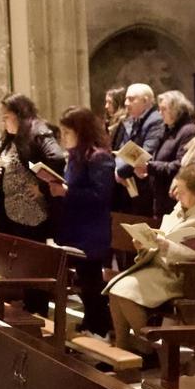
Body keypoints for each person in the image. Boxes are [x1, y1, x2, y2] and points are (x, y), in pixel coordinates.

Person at [107, 163, 195, 350]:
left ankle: (153, 350)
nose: (176, 195)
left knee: (125, 292)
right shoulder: (181, 208)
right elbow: (163, 238)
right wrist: (145, 245)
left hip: (188, 276)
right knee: (116, 290)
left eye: (182, 191)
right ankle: (123, 349)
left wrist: (164, 245)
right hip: (163, 270)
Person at [52, 107, 115, 337]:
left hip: (92, 229)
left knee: (91, 281)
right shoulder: (75, 157)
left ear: (82, 131)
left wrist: (66, 192)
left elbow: (101, 196)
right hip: (75, 228)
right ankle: (91, 321)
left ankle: (100, 328)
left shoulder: (99, 157)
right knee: (83, 281)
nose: (63, 137)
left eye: (67, 132)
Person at [0, 94, 66, 245]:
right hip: (9, 211)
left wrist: (42, 187)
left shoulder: (37, 130)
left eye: (6, 117)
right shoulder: (11, 136)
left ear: (18, 114)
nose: (3, 121)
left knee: (31, 262)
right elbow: (6, 164)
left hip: (31, 213)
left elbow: (57, 158)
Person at [112, 82, 164, 211]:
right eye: (126, 99)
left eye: (131, 99)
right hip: (129, 181)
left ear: (145, 101)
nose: (126, 103)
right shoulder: (137, 119)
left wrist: (119, 172)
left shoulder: (155, 120)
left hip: (143, 185)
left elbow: (145, 152)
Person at [149, 91, 195, 213]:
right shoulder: (167, 129)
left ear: (176, 109)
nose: (160, 114)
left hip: (174, 196)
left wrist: (150, 167)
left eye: (163, 109)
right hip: (160, 195)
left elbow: (181, 165)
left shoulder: (188, 131)